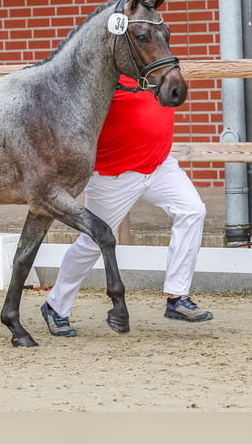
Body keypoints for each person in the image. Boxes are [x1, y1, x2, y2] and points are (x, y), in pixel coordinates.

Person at [41, 74, 213, 337]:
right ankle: (56, 306)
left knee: (193, 210)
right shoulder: (106, 78)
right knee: (92, 242)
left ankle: (177, 297)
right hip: (115, 175)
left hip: (159, 166)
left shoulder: (156, 70)